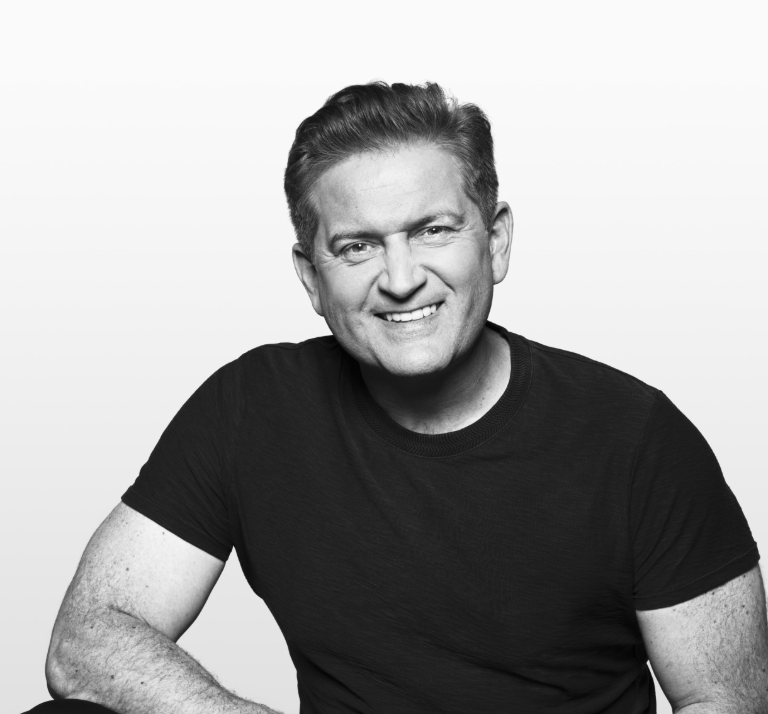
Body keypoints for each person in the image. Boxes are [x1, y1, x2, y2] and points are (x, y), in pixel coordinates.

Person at [28, 82, 767, 714]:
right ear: (311, 277)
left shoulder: (636, 438)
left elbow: (728, 700)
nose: (402, 278)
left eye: (433, 230)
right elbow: (88, 639)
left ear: (495, 241)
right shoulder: (252, 408)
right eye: (357, 246)